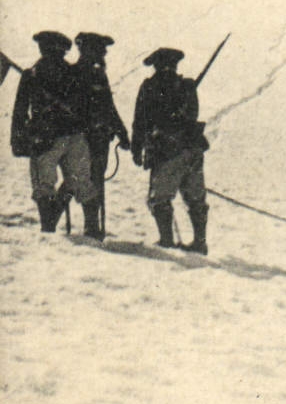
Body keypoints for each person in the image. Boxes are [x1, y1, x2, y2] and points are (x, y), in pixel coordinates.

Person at [9, 31, 98, 235]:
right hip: (75, 136)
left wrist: (17, 139)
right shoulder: (74, 73)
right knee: (82, 182)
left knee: (44, 185)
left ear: (43, 48)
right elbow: (87, 106)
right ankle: (92, 229)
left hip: (45, 138)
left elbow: (20, 110)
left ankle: (47, 228)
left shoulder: (32, 74)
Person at [131, 48, 209, 252]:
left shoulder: (150, 86)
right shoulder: (187, 86)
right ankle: (200, 242)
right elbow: (192, 114)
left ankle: (166, 241)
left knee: (160, 198)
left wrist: (136, 148)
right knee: (195, 197)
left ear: (156, 65)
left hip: (167, 150)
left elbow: (140, 120)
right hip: (193, 148)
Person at [72, 32, 129, 241]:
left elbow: (109, 107)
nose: (103, 54)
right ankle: (52, 217)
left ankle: (91, 226)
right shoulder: (73, 73)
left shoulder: (99, 75)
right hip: (79, 138)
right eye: (99, 50)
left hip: (99, 138)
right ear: (86, 50)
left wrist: (122, 132)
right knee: (78, 179)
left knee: (95, 179)